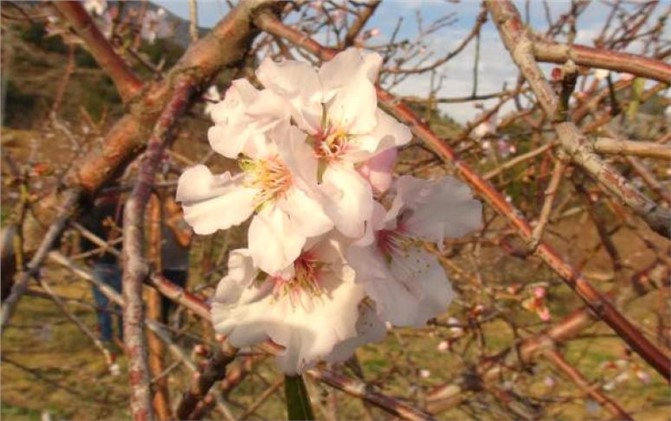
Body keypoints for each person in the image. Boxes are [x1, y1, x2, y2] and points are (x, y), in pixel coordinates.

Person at [80, 190, 124, 346]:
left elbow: (84, 235)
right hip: (119, 261)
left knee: (102, 304)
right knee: (122, 303)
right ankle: (125, 336)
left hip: (98, 262)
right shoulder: (123, 210)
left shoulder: (91, 212)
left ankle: (106, 337)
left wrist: (87, 257)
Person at [160, 194, 192, 324]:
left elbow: (185, 242)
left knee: (177, 301)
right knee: (163, 303)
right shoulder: (164, 219)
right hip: (163, 267)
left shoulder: (184, 221)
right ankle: (164, 328)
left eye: (169, 203)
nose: (167, 206)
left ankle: (178, 330)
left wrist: (173, 227)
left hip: (177, 268)